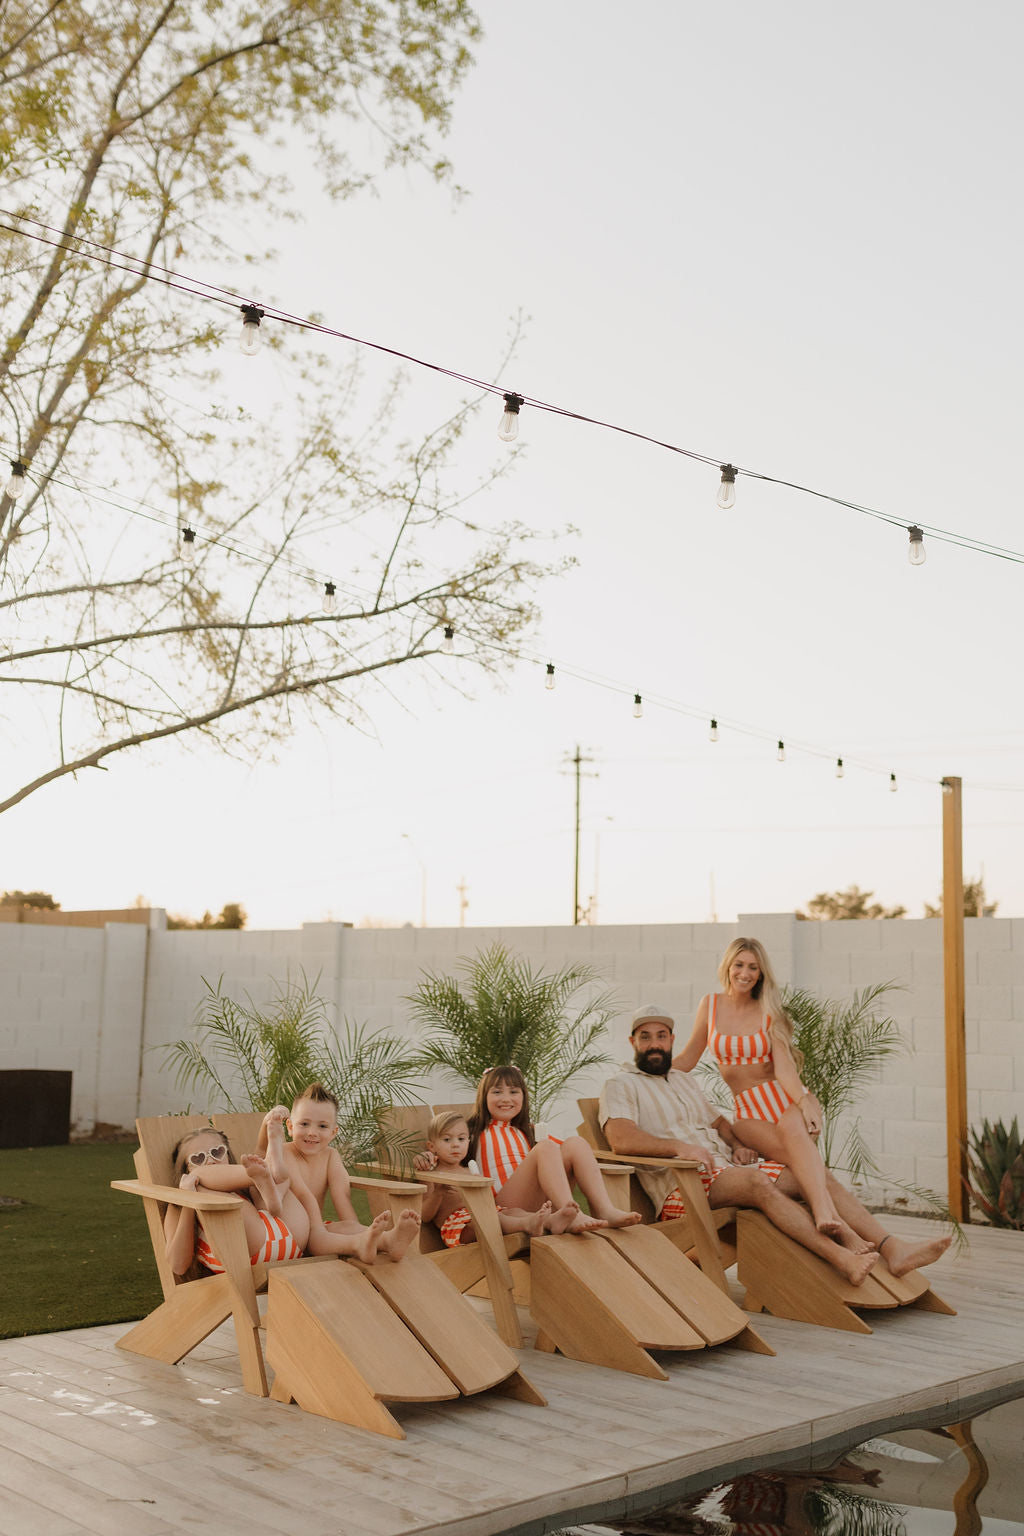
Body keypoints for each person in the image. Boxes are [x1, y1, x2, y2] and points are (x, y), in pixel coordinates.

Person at [599, 1005, 951, 1285]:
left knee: (809, 1174)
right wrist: (681, 1148)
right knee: (757, 1183)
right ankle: (841, 1257)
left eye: (661, 1036)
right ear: (633, 1042)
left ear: (672, 1039)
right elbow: (620, 1138)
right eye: (645, 1037)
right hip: (682, 1187)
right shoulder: (622, 1084)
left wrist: (736, 1144)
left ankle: (893, 1248)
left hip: (727, 1170)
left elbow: (718, 1122)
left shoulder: (681, 1081)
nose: (654, 1043)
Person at [673, 936, 849, 1240]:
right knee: (804, 1170)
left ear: (761, 973)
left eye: (753, 967)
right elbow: (688, 1058)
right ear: (728, 966)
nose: (745, 973)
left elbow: (785, 1071)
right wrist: (645, 1069)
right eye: (739, 965)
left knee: (800, 1155)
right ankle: (857, 1236)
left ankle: (828, 1217)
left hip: (786, 1102)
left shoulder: (769, 1010)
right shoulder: (710, 1005)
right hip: (748, 1112)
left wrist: (806, 1104)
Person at [467, 1064, 642, 1235]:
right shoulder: (470, 1132)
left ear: (523, 1097)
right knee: (546, 1146)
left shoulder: (529, 1131)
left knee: (576, 1143)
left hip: (542, 1205)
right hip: (508, 1209)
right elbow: (445, 1150)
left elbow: (568, 1155)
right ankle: (573, 1214)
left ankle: (605, 1210)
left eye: (513, 1092)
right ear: (483, 1097)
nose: (506, 1098)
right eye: (497, 1092)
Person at [259, 1082, 421, 1262]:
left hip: (317, 1230)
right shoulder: (285, 1151)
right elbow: (304, 1195)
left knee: (345, 1227)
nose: (312, 1132)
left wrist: (357, 1228)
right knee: (318, 1234)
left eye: (322, 1126)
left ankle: (387, 1241)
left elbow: (341, 1196)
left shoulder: (331, 1155)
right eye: (304, 1124)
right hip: (292, 1235)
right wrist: (318, 1230)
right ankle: (360, 1243)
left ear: (333, 1132)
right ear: (289, 1127)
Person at [163, 1121, 309, 1277]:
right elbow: (178, 1266)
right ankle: (270, 1172)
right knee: (200, 1176)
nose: (211, 1161)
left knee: (277, 1180)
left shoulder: (243, 1190)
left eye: (217, 1152)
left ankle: (272, 1184)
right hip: (242, 1254)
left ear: (228, 1155)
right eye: (198, 1159)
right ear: (185, 1169)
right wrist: (189, 1199)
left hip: (292, 1233)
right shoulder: (176, 1207)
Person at [414, 1109, 555, 1246]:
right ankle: (527, 1224)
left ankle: (552, 1220)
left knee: (514, 1211)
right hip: (459, 1228)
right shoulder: (431, 1172)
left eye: (461, 1138)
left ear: (468, 1142)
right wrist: (438, 1193)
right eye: (447, 1139)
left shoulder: (469, 1170)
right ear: (431, 1146)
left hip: (483, 1215)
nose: (456, 1144)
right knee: (495, 1218)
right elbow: (425, 1216)